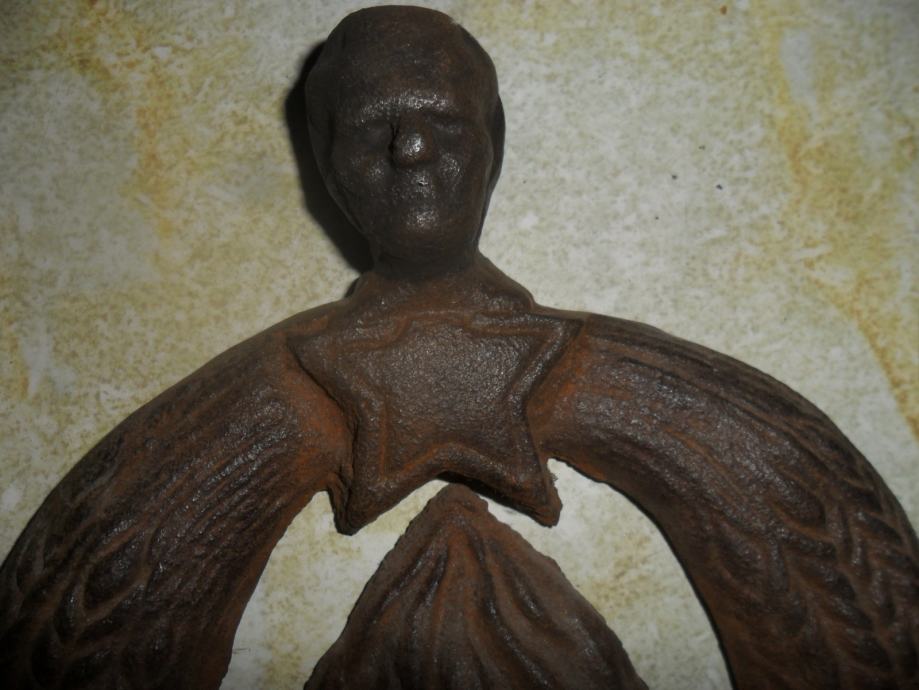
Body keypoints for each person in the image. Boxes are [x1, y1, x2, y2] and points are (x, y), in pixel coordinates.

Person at [2, 7, 916, 689]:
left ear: (494, 144)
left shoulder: (701, 413)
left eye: (443, 120)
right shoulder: (253, 411)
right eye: (370, 128)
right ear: (323, 159)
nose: (409, 148)